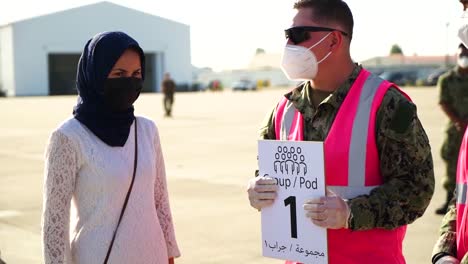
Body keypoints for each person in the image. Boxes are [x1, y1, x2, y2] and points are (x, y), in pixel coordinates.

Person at [246, 0, 434, 263]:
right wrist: (259, 190)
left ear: (334, 41)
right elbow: (269, 176)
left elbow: (417, 191)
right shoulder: (284, 109)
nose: (289, 46)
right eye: (286, 36)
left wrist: (351, 212)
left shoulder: (387, 105)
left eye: (298, 36)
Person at [41, 31, 180, 264]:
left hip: (152, 256)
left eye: (136, 74)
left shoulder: (147, 130)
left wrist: (169, 253)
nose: (129, 81)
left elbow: (160, 201)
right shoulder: (67, 138)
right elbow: (54, 224)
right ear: (96, 74)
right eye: (119, 74)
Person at [435, 43, 468, 215]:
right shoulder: (447, 79)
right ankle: (450, 202)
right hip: (455, 131)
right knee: (452, 167)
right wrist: (458, 121)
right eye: (462, 52)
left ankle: (464, 205)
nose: (465, 56)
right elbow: (443, 102)